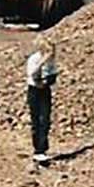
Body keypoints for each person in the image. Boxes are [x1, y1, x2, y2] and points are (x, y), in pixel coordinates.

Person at [25, 36, 59, 164]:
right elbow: (32, 74)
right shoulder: (34, 59)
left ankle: (42, 149)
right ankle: (37, 150)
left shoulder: (51, 62)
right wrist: (41, 63)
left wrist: (48, 81)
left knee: (45, 119)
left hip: (45, 91)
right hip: (34, 91)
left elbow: (53, 75)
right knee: (36, 120)